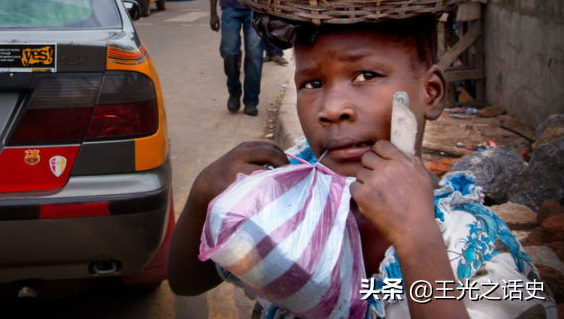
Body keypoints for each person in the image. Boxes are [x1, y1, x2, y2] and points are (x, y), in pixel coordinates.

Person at [168, 16, 557, 319]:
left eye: (366, 75)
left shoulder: (476, 250)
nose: (332, 108)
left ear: (431, 92)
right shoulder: (286, 204)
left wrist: (416, 241)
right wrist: (204, 194)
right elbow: (187, 282)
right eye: (312, 83)